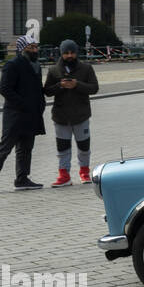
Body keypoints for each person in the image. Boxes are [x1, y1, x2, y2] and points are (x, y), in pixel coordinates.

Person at [0, 37, 47, 192]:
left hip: (31, 115)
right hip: (14, 115)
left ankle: (22, 179)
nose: (34, 50)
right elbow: (4, 89)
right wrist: (23, 103)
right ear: (22, 49)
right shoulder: (12, 65)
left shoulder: (36, 65)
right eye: (31, 47)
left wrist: (41, 104)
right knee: (5, 148)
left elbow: (38, 88)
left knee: (25, 149)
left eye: (35, 47)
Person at [43, 39, 99, 187]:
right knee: (62, 147)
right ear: (61, 54)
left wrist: (77, 85)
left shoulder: (86, 68)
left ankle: (84, 172)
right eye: (66, 53)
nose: (69, 55)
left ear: (76, 53)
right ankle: (64, 175)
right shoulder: (54, 70)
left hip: (81, 115)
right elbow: (47, 91)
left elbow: (94, 88)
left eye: (72, 52)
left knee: (83, 146)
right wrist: (59, 86)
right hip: (61, 116)